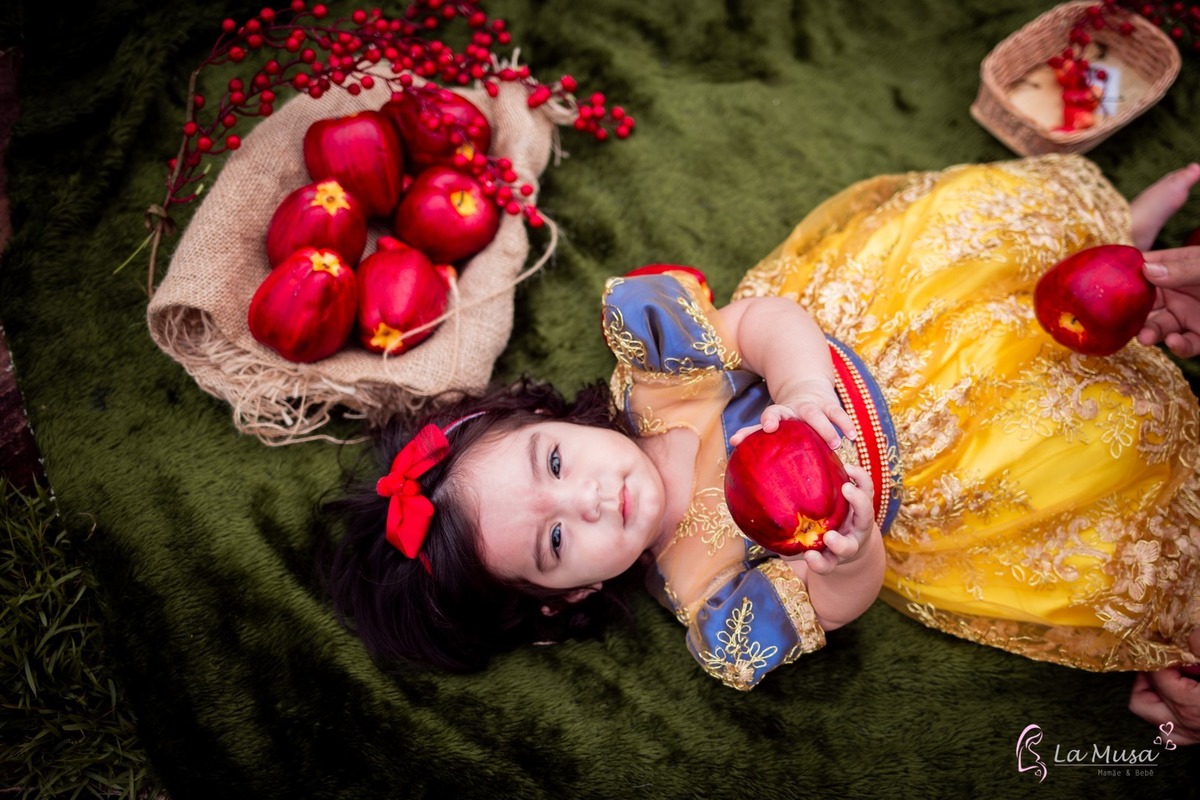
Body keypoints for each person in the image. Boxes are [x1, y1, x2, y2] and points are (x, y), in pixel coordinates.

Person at [323, 154, 1200, 743]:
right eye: (556, 542)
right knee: (1081, 447)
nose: (587, 498)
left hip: (877, 341)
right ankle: (1134, 323)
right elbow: (837, 598)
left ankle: (1123, 246)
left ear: (551, 420)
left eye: (553, 462)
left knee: (1002, 263)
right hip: (937, 471)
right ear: (572, 594)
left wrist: (803, 390)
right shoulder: (703, 591)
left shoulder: (656, 381)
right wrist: (848, 553)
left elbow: (768, 322)